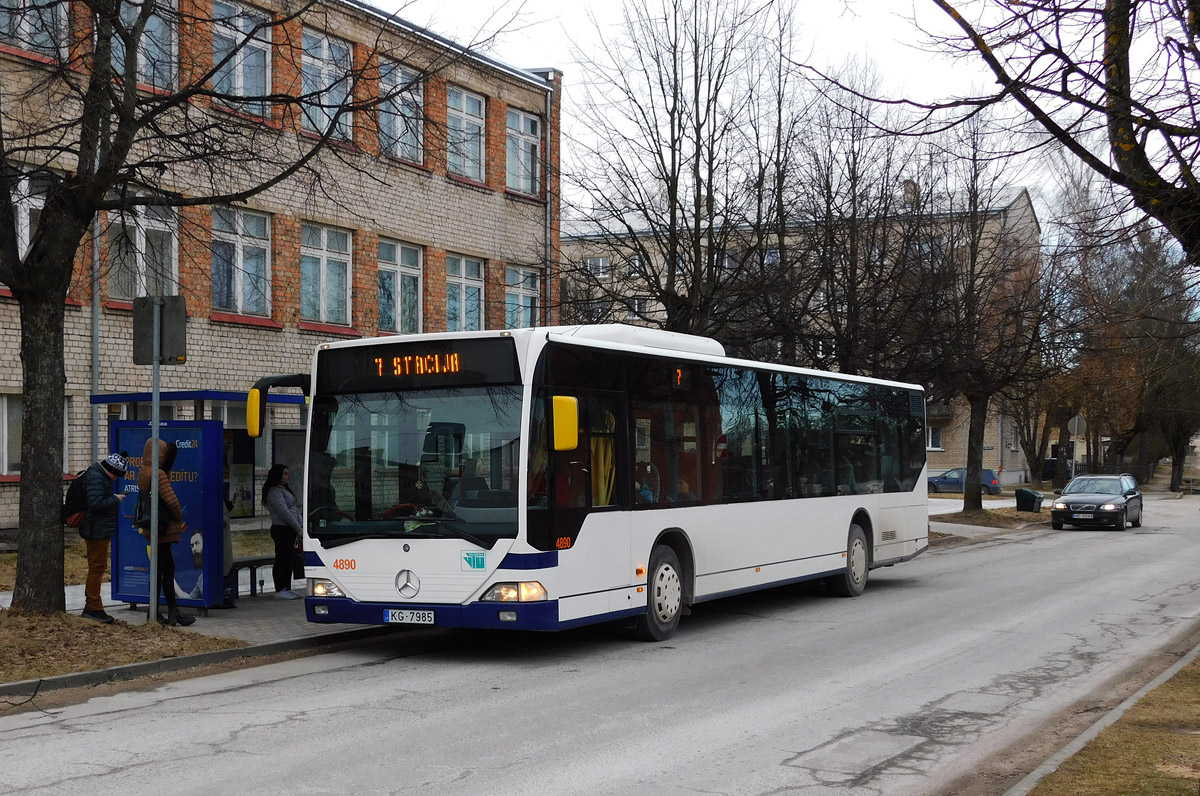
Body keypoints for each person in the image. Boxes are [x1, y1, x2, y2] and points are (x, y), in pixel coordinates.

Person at [136, 437, 195, 627]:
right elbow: (172, 501)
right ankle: (160, 612)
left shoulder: (143, 472)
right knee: (163, 570)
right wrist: (178, 517)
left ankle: (171, 611)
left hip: (152, 527)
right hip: (163, 528)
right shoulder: (158, 474)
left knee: (164, 569)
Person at [78, 452, 128, 624]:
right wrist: (115, 499)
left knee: (98, 567)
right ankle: (93, 606)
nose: (115, 479)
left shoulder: (96, 475)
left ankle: (93, 605)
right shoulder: (97, 478)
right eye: (116, 475)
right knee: (97, 568)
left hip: (98, 529)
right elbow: (96, 503)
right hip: (96, 530)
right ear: (111, 470)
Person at [263, 463, 303, 600]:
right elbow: (284, 512)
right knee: (282, 559)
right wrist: (298, 528)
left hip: (291, 529)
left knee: (289, 560)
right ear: (278, 475)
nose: (289, 476)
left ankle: (287, 587)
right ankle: (280, 588)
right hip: (281, 529)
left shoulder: (285, 490)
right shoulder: (274, 491)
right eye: (285, 473)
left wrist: (301, 525)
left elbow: (294, 509)